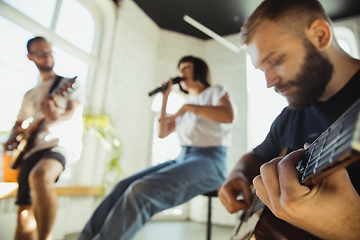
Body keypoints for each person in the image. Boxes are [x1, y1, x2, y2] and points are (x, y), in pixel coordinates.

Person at [218, 0, 360, 239]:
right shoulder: (291, 114)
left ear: (319, 35)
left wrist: (350, 227)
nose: (269, 81)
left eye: (275, 61)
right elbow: (256, 156)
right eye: (262, 70)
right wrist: (238, 174)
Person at [78, 55, 236, 240]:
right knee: (123, 186)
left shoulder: (215, 91)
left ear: (199, 71)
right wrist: (165, 97)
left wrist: (189, 107)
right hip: (182, 157)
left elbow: (227, 116)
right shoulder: (184, 106)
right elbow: (163, 132)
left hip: (210, 161)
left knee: (141, 190)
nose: (181, 72)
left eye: (186, 67)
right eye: (179, 69)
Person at [3, 36, 85, 240]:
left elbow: (72, 112)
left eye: (49, 51)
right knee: (23, 213)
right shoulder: (30, 94)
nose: (47, 57)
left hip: (62, 143)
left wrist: (55, 116)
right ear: (30, 57)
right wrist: (13, 137)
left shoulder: (69, 84)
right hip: (32, 149)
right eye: (41, 53)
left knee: (40, 177)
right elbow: (20, 123)